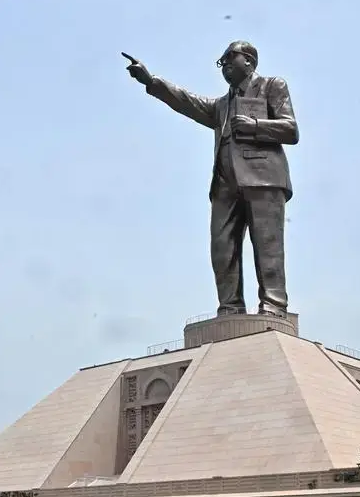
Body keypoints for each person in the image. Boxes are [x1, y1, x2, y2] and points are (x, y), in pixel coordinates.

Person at [124, 41, 299, 317]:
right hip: (225, 184)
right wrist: (152, 81)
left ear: (250, 61)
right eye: (222, 61)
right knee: (222, 247)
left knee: (268, 246)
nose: (225, 64)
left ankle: (274, 305)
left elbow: (291, 130)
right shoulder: (221, 106)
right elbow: (186, 101)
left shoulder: (271, 86)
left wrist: (255, 126)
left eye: (231, 57)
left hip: (264, 180)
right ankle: (230, 307)